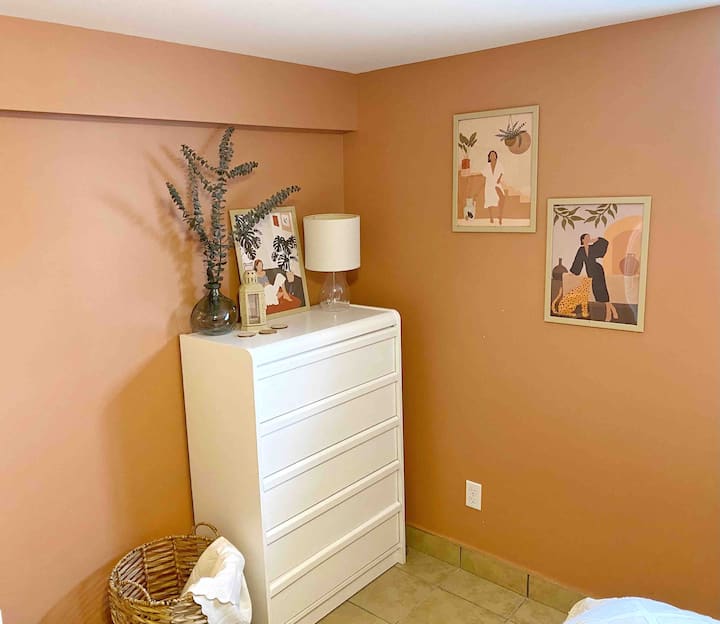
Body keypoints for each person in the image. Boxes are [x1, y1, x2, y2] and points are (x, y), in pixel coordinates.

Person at [570, 234, 619, 322]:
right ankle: (613, 309)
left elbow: (604, 243)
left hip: (598, 270)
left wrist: (595, 239)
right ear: (582, 240)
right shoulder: (581, 250)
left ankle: (608, 313)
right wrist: (573, 272)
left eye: (589, 237)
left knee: (603, 290)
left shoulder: (593, 248)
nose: (588, 239)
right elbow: (578, 262)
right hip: (590, 272)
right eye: (586, 238)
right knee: (597, 292)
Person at [482, 150, 505, 225]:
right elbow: (484, 175)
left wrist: (499, 179)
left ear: (496, 156)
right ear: (489, 157)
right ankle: (491, 218)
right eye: (491, 155)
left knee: (502, 198)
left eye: (494, 155)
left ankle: (500, 216)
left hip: (496, 184)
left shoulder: (499, 164)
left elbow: (502, 172)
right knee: (489, 201)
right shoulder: (487, 166)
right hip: (489, 185)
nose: (492, 156)